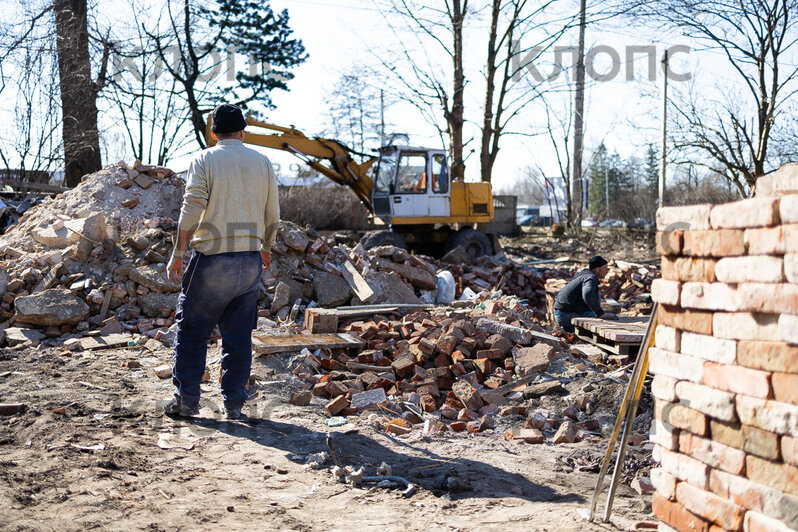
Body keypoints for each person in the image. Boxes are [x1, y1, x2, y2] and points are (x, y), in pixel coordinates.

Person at [162, 103, 279, 419]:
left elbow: (192, 208)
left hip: (212, 259)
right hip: (250, 260)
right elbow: (273, 215)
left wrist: (178, 252)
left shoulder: (204, 159)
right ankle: (234, 405)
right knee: (238, 337)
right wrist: (265, 247)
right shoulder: (263, 162)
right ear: (243, 132)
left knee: (192, 332)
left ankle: (187, 401)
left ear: (213, 133)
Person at [553, 255, 618, 333]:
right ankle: (573, 330)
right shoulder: (590, 278)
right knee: (595, 320)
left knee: (591, 313)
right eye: (605, 268)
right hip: (565, 315)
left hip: (562, 312)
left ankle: (570, 329)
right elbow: (587, 294)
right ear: (597, 269)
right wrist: (600, 313)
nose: (607, 271)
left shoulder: (584, 275)